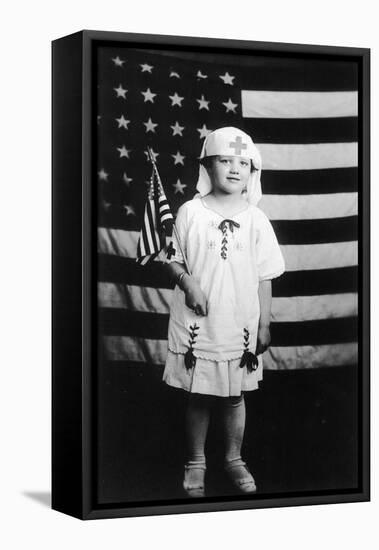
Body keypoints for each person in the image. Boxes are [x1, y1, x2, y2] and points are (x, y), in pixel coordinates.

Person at [163, 127, 285, 498]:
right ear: (207, 166)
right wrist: (189, 284)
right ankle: (196, 460)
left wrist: (264, 323)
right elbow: (173, 259)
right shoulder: (190, 212)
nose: (234, 169)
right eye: (225, 160)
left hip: (240, 322)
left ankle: (233, 457)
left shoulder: (256, 220)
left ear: (252, 171)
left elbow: (265, 276)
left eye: (243, 163)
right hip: (200, 322)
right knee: (199, 393)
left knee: (234, 396)